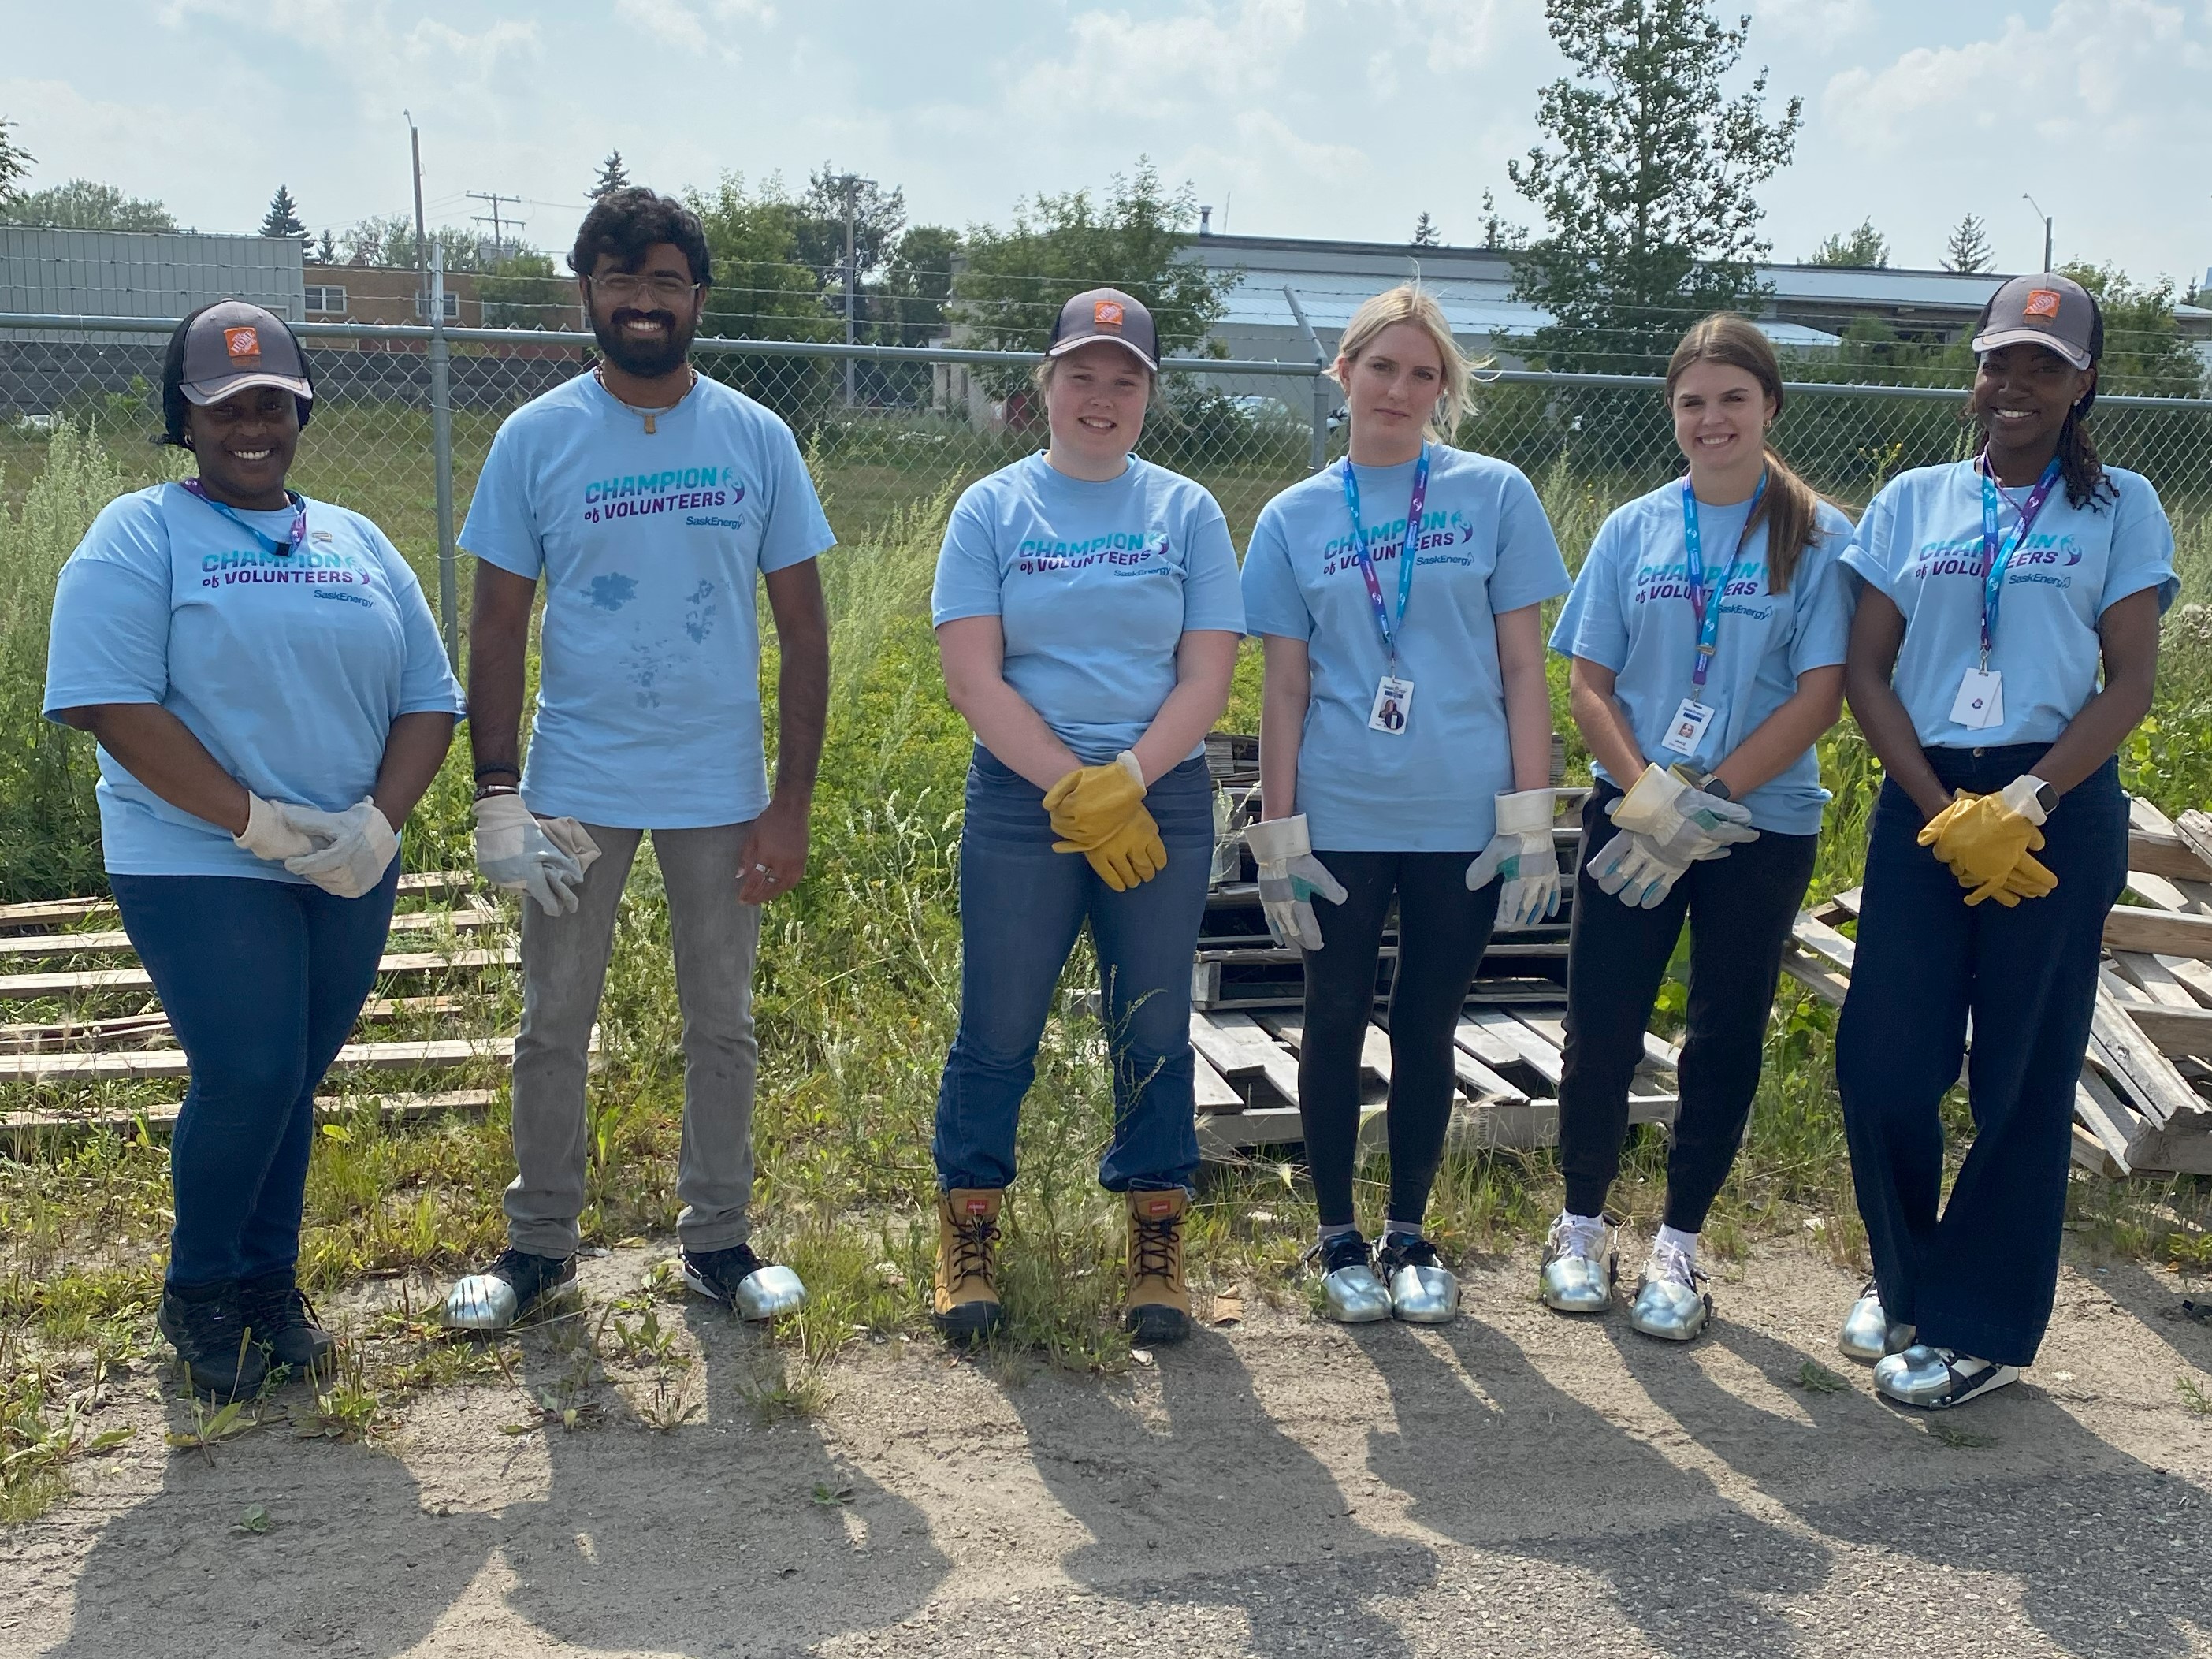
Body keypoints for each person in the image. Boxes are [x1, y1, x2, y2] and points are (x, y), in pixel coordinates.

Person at [43, 301, 463, 1398]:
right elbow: (107, 701)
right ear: (183, 418)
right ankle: (199, 1291)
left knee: (294, 1078)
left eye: (272, 403)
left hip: (346, 855)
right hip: (198, 853)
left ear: (302, 412)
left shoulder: (356, 538)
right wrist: (253, 821)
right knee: (249, 1072)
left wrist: (379, 825)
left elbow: (428, 698)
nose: (251, 427)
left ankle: (270, 1286)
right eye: (224, 407)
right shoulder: (139, 534)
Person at [441, 187, 833, 1333]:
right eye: (622, 280)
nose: (644, 301)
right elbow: (497, 624)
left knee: (723, 1021)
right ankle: (537, 1245)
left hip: (720, 787)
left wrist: (789, 805)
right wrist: (498, 795)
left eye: (666, 281)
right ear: (589, 294)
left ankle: (719, 1240)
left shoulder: (756, 437)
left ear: (697, 298)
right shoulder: (536, 438)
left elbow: (805, 631)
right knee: (553, 1021)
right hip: (577, 783)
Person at [1835, 273, 2173, 1408]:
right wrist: (1942, 808)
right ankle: (1906, 1278)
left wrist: (2027, 797)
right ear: (1975, 374)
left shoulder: (2120, 505)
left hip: (2055, 800)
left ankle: (1979, 1324)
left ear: (2084, 383)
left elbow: (2130, 681)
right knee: (1885, 1063)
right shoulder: (1913, 501)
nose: (2016, 384)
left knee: (2022, 1071)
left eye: (2045, 366)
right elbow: (1866, 672)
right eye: (2000, 362)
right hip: (1926, 798)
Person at [1240, 284, 1569, 1324]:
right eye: (1381, 367)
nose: (1399, 389)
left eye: (1423, 374)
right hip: (1339, 812)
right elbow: (1284, 687)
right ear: (1343, 374)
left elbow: (1524, 668)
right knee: (1333, 1015)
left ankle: (1410, 1231)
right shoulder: (1293, 517)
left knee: (1428, 1023)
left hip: (1460, 817)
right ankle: (1338, 1234)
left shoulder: (1494, 494)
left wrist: (1530, 815)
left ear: (1442, 390)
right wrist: (1279, 832)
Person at [928, 288, 1243, 1346]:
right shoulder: (992, 510)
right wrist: (1076, 788)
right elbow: (973, 678)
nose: (1101, 397)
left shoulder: (1188, 513)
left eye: (1124, 380)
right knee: (999, 1023)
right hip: (1025, 801)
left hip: (1161, 796)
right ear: (1046, 383)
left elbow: (1207, 676)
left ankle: (1156, 1244)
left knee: (1152, 1023)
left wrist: (1131, 779)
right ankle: (968, 1231)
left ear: (1149, 395)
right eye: (1082, 375)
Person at [1538, 314, 1853, 1340]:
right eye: (1692, 402)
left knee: (1724, 1028)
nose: (1712, 419)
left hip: (1759, 826)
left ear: (1771, 406)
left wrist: (1708, 796)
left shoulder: (1820, 535)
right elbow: (1589, 683)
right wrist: (1652, 798)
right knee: (1601, 1021)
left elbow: (1820, 694)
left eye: (1733, 399)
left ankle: (1679, 1243)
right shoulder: (1633, 528)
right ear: (1671, 412)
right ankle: (1582, 1223)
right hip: (1633, 815)